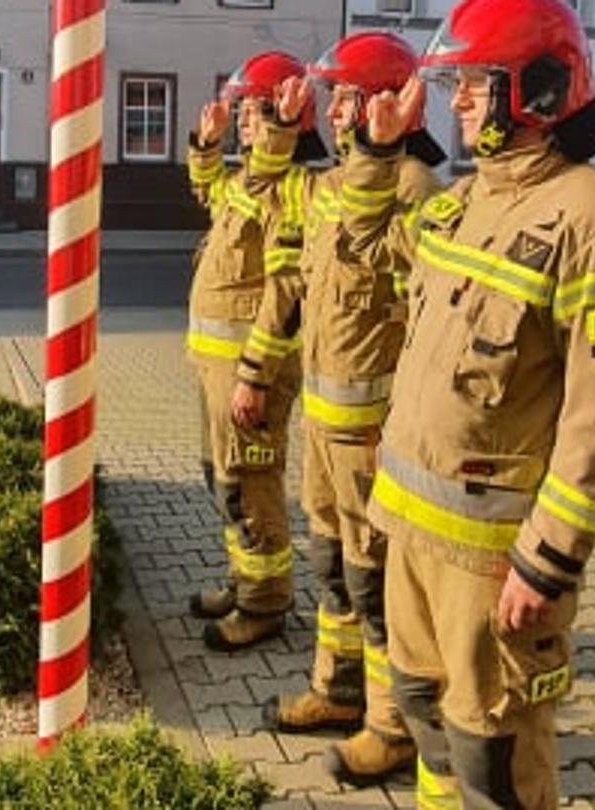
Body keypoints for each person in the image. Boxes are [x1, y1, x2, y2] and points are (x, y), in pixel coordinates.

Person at [341, 0, 595, 806]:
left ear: (538, 91)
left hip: (493, 562)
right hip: (411, 532)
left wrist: (548, 560)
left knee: (495, 754)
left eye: (472, 87)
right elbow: (358, 254)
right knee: (424, 713)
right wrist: (379, 152)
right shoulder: (459, 203)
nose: (455, 104)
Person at [235, 33, 446, 786]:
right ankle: (338, 690)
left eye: (347, 97)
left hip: (375, 437)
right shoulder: (328, 187)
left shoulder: (417, 189)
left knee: (377, 582)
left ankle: (392, 729)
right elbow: (281, 257)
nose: (337, 110)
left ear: (386, 102)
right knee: (333, 568)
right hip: (325, 426)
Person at [183, 50, 324, 652]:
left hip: (249, 372)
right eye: (238, 111)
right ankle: (244, 581)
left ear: (283, 117)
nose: (241, 120)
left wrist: (256, 375)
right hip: (219, 366)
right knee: (225, 479)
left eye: (250, 111)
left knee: (251, 480)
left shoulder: (291, 188)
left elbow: (286, 291)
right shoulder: (249, 181)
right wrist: (205, 146)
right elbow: (212, 197)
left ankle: (265, 604)